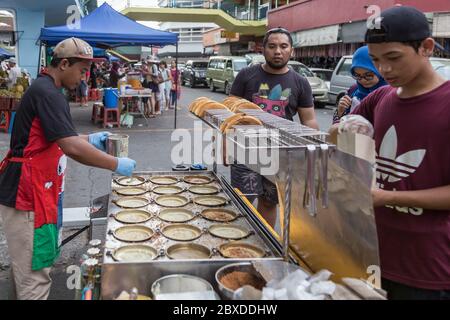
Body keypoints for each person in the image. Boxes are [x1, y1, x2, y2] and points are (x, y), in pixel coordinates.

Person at [0, 37, 136, 300]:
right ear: (64, 64)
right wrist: (115, 163)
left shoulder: (46, 89)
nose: (84, 77)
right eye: (82, 70)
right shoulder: (48, 93)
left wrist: (89, 139)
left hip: (35, 191)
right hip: (28, 195)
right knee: (34, 279)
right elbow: (70, 147)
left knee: (27, 273)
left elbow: (58, 137)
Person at [329, 6, 450, 300]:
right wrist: (344, 129)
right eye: (375, 60)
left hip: (427, 267)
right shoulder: (381, 97)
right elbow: (334, 136)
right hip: (371, 251)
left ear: (426, 47)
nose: (384, 70)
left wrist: (388, 197)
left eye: (393, 58)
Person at [229, 27, 319, 227]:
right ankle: (232, 244)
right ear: (263, 49)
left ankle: (264, 249)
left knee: (270, 203)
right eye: (272, 46)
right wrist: (224, 148)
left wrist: (313, 152)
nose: (278, 51)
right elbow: (230, 114)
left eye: (283, 46)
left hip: (281, 154)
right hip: (246, 151)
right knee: (241, 202)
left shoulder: (300, 82)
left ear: (291, 51)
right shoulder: (246, 75)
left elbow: (309, 120)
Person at [332, 45, 388, 124]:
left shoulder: (389, 93)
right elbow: (337, 128)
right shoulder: (354, 90)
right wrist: (340, 111)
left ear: (379, 70)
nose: (363, 80)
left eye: (368, 75)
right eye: (357, 75)